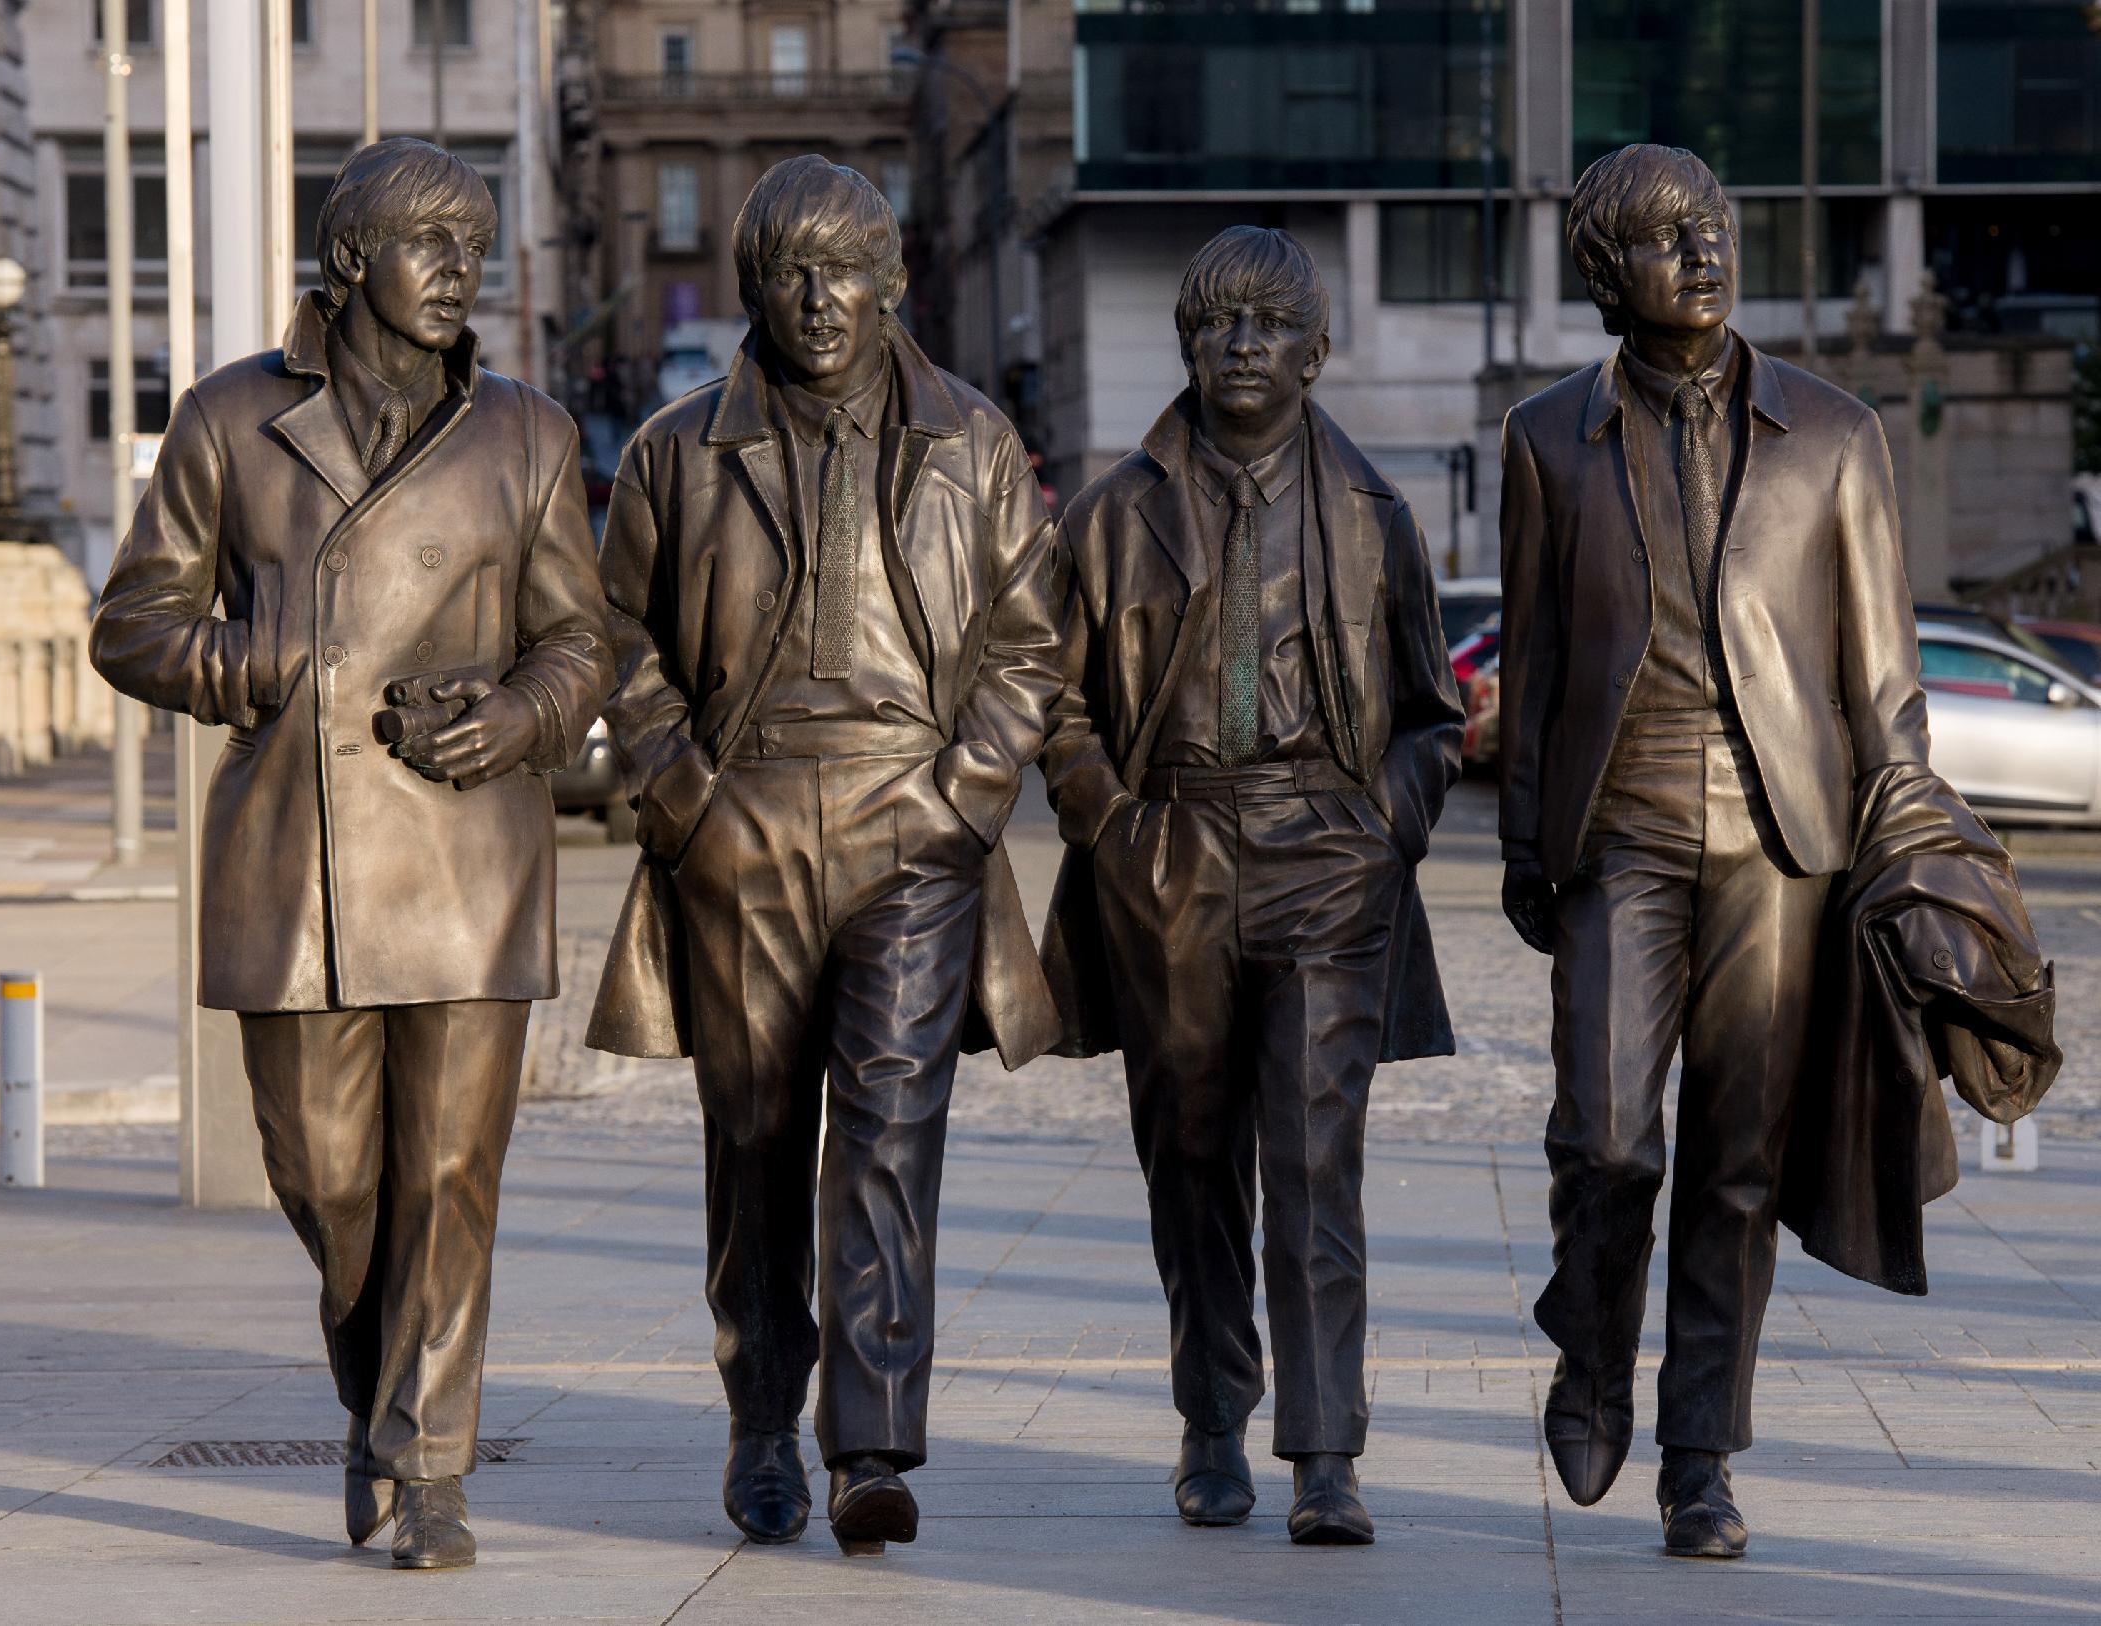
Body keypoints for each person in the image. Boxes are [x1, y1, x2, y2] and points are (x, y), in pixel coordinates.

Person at [90, 137, 612, 1569]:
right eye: (429, 243)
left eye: (474, 246)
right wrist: (246, 663)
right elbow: (128, 622)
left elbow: (584, 639)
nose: (460, 271)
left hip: (468, 856)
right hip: (294, 859)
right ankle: (378, 1398)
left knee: (450, 1172)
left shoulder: (528, 433)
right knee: (325, 1173)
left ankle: (429, 1464)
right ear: (348, 261)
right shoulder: (228, 420)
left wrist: (517, 712)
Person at [584, 155, 1063, 1555]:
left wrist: (960, 793)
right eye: (789, 271)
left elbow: (1033, 644)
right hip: (741, 824)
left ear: (888, 277)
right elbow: (618, 641)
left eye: (841, 267)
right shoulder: (678, 448)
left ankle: (867, 1441)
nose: (816, 299)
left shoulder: (971, 442)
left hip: (909, 822)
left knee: (889, 1126)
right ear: (752, 287)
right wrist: (685, 800)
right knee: (753, 1135)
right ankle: (759, 1409)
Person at [1495, 143, 1930, 1558]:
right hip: (1612, 831)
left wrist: (1906, 846)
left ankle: (1699, 1457)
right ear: (1606, 273)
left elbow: (1882, 681)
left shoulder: (1836, 431)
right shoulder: (1545, 437)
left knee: (1736, 1160)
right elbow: (1540, 655)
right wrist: (1519, 846)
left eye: (1715, 228)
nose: (1703, 251)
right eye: (1668, 237)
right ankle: (1586, 1346)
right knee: (1606, 1139)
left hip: (1779, 843)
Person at [1039, 225, 1463, 1546]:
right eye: (1216, 321)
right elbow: (1050, 703)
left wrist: (1376, 824)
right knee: (1190, 1162)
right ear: (1185, 341)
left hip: (1323, 860)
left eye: (1267, 323)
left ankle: (1324, 1449)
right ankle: (1211, 1419)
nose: (1239, 345)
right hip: (1169, 855)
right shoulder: (1111, 514)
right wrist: (1114, 827)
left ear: (1315, 352)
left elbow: (1432, 713)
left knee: (1315, 1159)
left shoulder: (1373, 515)